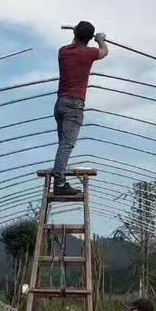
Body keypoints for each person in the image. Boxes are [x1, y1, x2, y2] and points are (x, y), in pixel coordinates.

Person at [52, 21, 108, 196]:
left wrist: (81, 33)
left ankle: (60, 178)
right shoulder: (89, 53)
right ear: (89, 39)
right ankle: (59, 183)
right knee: (66, 145)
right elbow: (104, 51)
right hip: (74, 106)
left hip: (60, 103)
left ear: (75, 33)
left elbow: (75, 44)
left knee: (63, 145)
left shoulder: (63, 51)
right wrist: (100, 39)